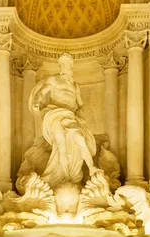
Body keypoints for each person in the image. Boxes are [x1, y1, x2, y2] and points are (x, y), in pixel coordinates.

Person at [29, 53, 100, 189]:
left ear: (71, 67)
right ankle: (66, 177)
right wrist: (37, 103)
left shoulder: (75, 86)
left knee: (79, 137)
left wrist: (81, 116)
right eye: (63, 65)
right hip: (55, 114)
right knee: (60, 145)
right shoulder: (54, 80)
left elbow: (80, 104)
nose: (66, 68)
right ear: (60, 66)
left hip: (70, 115)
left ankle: (91, 168)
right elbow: (42, 93)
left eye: (68, 65)